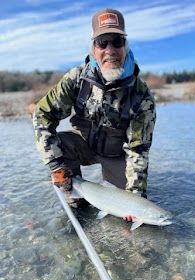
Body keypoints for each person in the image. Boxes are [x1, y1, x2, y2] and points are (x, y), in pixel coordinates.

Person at [33, 8, 156, 214]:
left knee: (130, 205)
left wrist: (136, 196)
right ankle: (74, 195)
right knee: (60, 147)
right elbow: (42, 114)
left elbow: (139, 151)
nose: (110, 50)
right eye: (102, 43)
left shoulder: (142, 96)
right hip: (82, 145)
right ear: (93, 49)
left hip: (116, 154)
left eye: (117, 41)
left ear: (125, 46)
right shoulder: (76, 79)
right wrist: (55, 166)